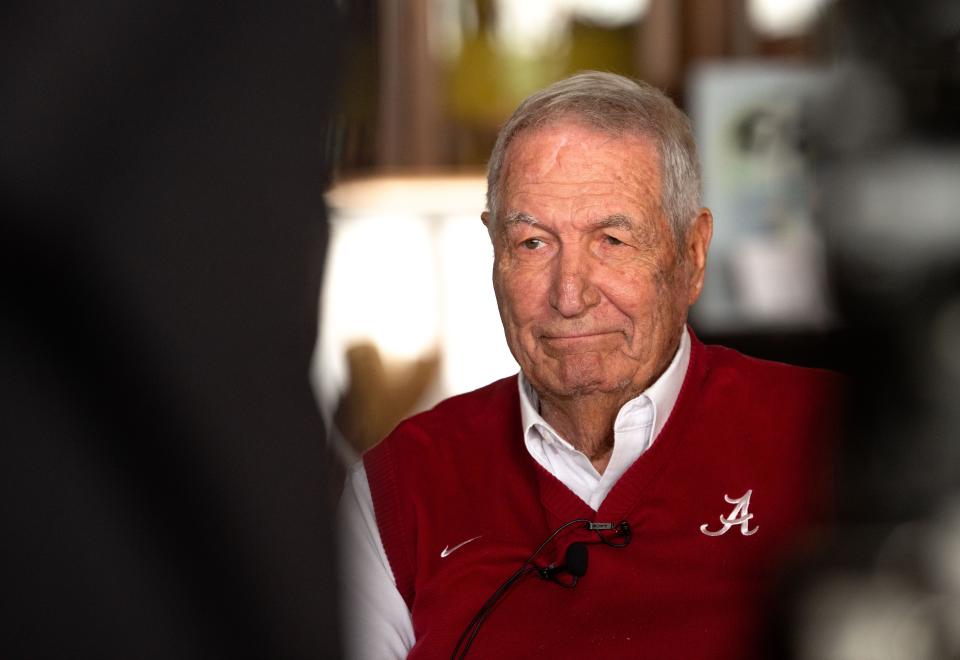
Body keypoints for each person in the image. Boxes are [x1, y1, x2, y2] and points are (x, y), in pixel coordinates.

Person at [339, 71, 842, 659]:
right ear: (495, 254)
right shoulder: (398, 489)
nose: (570, 294)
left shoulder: (837, 436)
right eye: (533, 243)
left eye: (611, 240)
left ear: (693, 254)